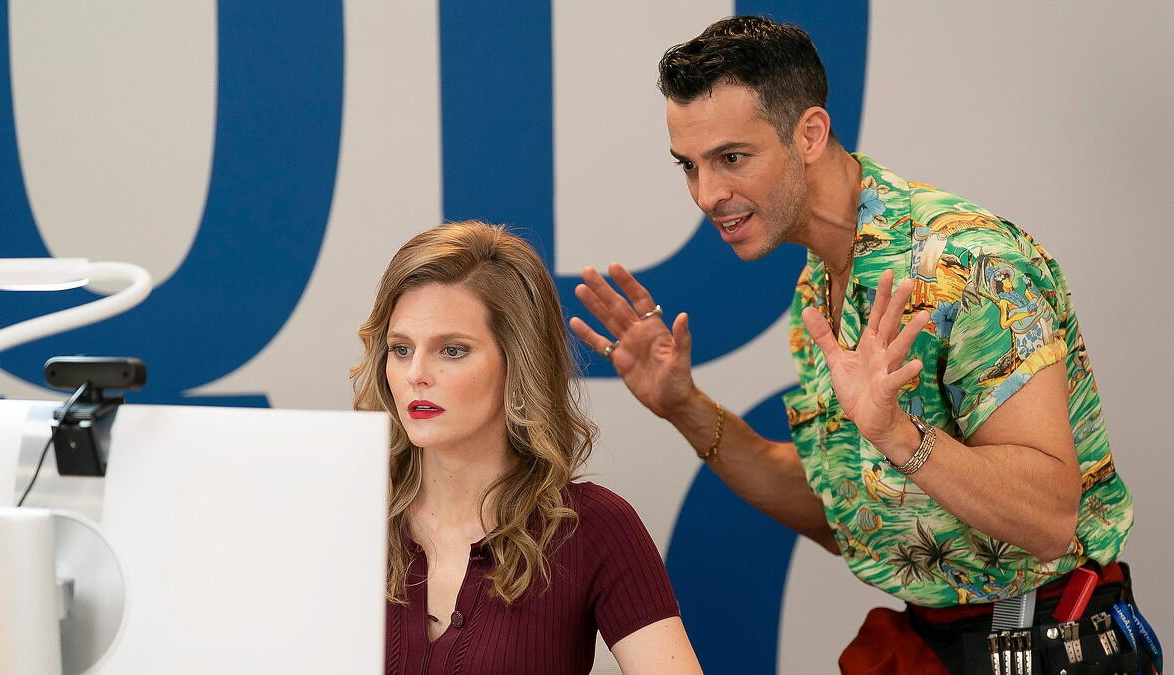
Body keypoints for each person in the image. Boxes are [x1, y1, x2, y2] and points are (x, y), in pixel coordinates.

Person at [570, 16, 1154, 674]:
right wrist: (685, 407)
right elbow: (852, 516)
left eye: (732, 158)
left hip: (1049, 643)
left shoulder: (966, 261)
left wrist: (899, 435)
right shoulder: (816, 286)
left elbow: (1048, 518)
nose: (707, 195)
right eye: (689, 166)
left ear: (810, 133)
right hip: (939, 644)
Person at [351, 221, 702, 675]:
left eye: (452, 350)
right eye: (401, 349)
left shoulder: (593, 527)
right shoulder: (347, 514)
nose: (416, 374)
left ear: (517, 363)